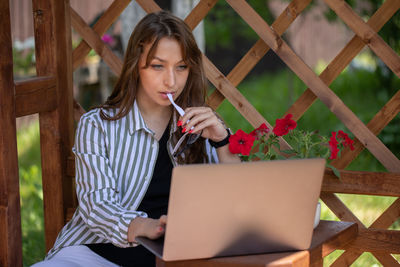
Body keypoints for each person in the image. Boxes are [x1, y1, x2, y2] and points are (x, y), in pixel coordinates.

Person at [32, 10, 240, 267]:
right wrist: (146, 226)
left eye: (181, 67)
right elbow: (97, 208)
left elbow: (236, 203)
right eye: (157, 66)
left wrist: (222, 141)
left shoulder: (202, 125)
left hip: (180, 255)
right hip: (97, 253)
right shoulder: (97, 126)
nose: (171, 81)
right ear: (135, 66)